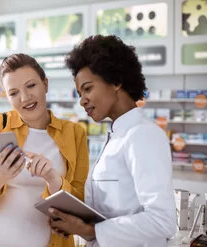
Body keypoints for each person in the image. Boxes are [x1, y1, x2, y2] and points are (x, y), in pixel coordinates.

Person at [49, 35, 177, 247]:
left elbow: (163, 221)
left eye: (88, 88)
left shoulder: (142, 135)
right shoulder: (117, 135)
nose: (82, 100)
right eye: (80, 93)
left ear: (116, 81)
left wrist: (91, 231)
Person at [0, 54, 89, 247]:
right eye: (13, 93)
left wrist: (53, 179)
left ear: (45, 84)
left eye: (31, 86)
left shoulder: (74, 133)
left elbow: (79, 205)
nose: (25, 98)